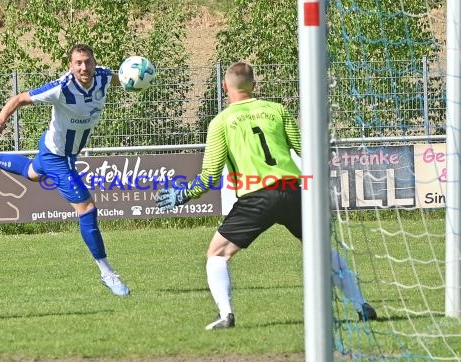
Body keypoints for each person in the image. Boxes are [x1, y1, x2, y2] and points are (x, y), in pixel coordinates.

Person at [156, 62, 377, 329]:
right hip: (293, 190)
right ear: (255, 86)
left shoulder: (221, 122)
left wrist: (184, 195)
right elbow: (304, 148)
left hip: (257, 197)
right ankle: (360, 304)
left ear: (225, 87)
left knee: (216, 254)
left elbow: (210, 176)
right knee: (320, 249)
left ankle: (226, 315)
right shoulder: (277, 110)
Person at [0, 43, 129, 297]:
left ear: (95, 62)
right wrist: (0, 120)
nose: (84, 67)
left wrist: (135, 78)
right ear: (70, 66)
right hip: (57, 156)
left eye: (88, 61)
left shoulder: (104, 78)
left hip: (55, 147)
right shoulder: (61, 88)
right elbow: (19, 98)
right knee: (87, 208)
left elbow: (124, 79)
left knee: (31, 172)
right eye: (78, 63)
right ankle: (107, 273)